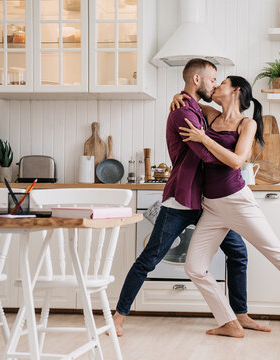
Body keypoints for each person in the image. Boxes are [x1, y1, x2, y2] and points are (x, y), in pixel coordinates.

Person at [171, 76, 280, 341]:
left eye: (222, 83)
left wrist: (203, 139)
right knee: (194, 267)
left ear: (236, 91)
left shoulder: (247, 123)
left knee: (279, 254)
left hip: (238, 201)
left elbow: (236, 160)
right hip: (212, 207)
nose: (216, 86)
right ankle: (229, 322)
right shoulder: (209, 115)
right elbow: (189, 98)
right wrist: (178, 96)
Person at [110, 59, 270, 337]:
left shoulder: (196, 108)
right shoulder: (184, 110)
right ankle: (118, 318)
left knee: (238, 252)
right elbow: (206, 154)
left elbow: (213, 137)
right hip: (183, 201)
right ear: (197, 80)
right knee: (148, 260)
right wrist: (232, 156)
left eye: (220, 82)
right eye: (212, 80)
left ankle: (239, 315)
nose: (215, 85)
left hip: (208, 202)